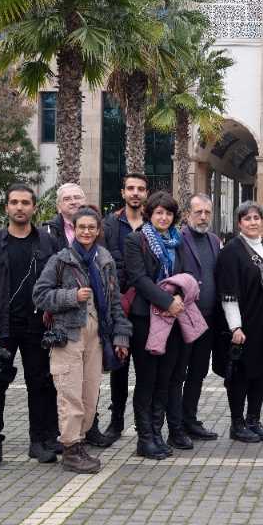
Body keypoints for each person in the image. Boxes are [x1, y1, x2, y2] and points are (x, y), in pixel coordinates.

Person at [33, 207, 131, 474]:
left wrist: (121, 335)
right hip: (69, 335)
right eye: (81, 228)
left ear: (98, 230)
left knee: (90, 397)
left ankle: (80, 440)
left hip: (97, 335)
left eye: (91, 227)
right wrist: (71, 296)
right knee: (70, 394)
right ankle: (71, 449)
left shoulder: (105, 259)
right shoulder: (61, 260)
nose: (86, 232)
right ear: (73, 230)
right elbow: (40, 295)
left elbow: (115, 303)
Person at [0, 184, 61, 468]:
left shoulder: (48, 243)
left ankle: (38, 441)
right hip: (1, 326)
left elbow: (59, 281)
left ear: (34, 208)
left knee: (41, 384)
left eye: (25, 202)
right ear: (6, 208)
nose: (20, 207)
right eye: (14, 202)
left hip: (38, 325)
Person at [213, 202, 263, 443]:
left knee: (260, 372)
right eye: (247, 219)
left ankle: (254, 419)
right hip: (245, 324)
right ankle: (237, 424)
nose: (253, 222)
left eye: (257, 218)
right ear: (239, 223)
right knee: (241, 375)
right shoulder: (232, 251)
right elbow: (228, 292)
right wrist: (236, 326)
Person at [124, 191, 191, 457]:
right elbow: (138, 278)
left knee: (165, 378)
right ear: (149, 214)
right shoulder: (135, 240)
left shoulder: (178, 241)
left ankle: (157, 431)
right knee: (147, 379)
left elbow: (185, 276)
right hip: (146, 318)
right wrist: (167, 301)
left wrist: (180, 297)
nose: (164, 217)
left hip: (173, 319)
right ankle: (145, 438)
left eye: (168, 213)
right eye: (159, 212)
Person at [89, 172, 150, 446]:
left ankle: (145, 422)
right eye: (131, 188)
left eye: (140, 189)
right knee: (119, 368)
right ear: (123, 192)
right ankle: (116, 422)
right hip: (117, 307)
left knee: (146, 368)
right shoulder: (109, 226)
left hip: (147, 308)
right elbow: (101, 262)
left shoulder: (153, 225)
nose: (135, 193)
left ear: (146, 193)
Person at [174, 193, 223, 442]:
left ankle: (190, 419)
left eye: (207, 212)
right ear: (187, 215)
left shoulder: (215, 241)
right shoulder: (177, 239)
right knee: (178, 373)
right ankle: (175, 425)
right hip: (183, 320)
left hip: (208, 320)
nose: (203, 217)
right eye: (198, 212)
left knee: (198, 372)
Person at [43, 183, 87, 250]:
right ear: (58, 206)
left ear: (84, 202)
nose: (73, 202)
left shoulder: (100, 229)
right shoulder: (47, 231)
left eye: (77, 197)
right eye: (67, 199)